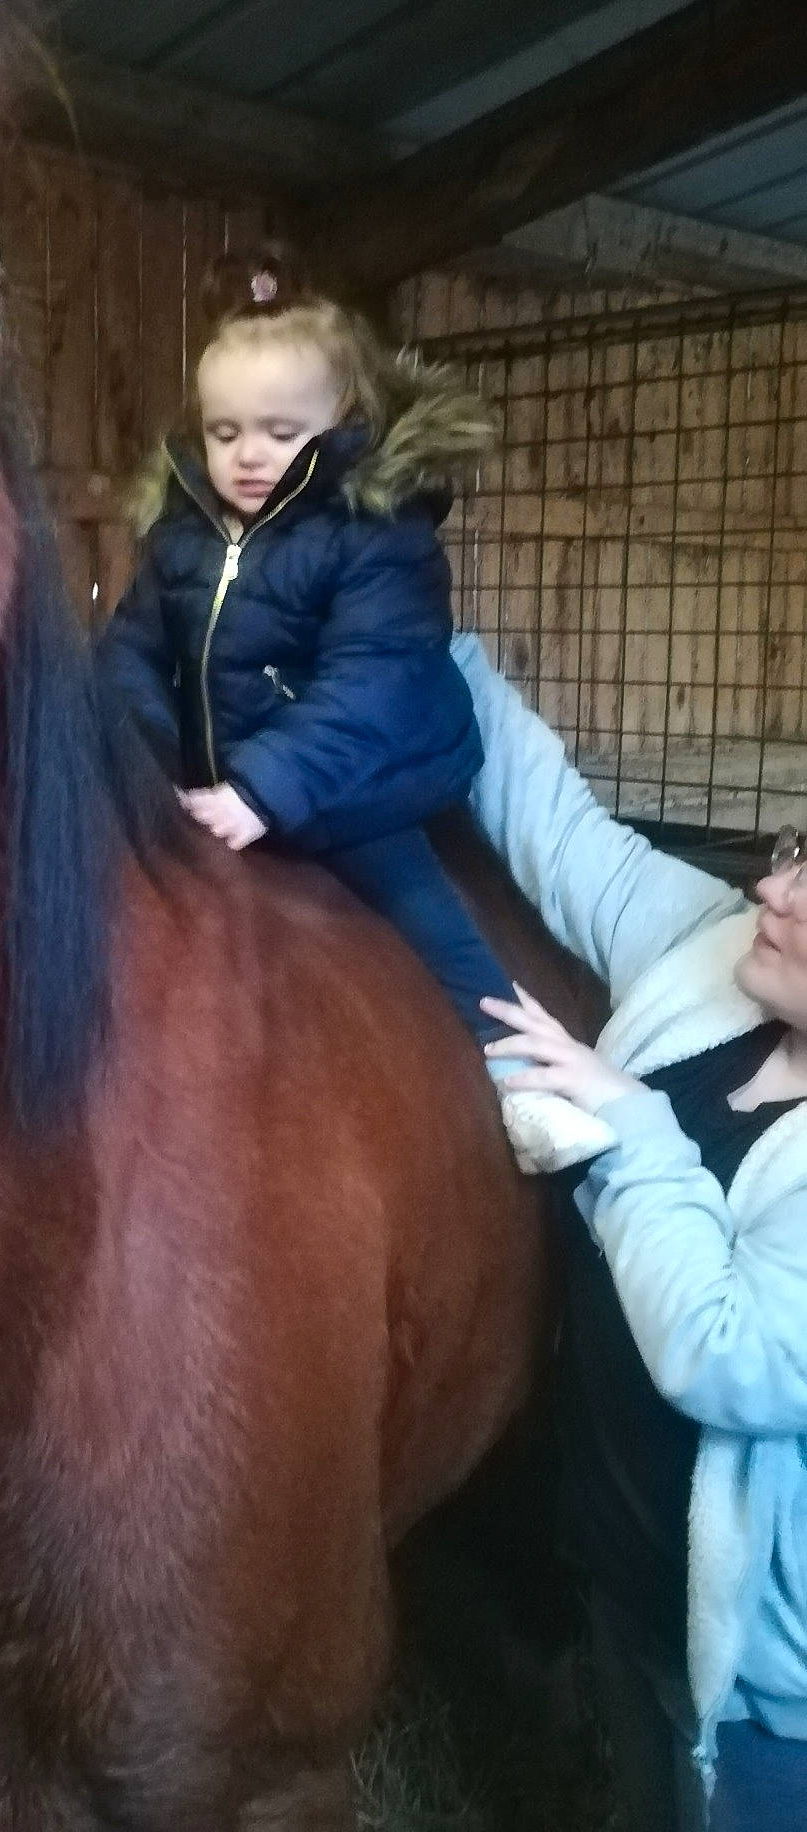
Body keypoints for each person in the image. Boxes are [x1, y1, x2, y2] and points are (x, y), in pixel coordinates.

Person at [98, 250, 601, 1164]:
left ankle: (521, 1074)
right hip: (218, 777)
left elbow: (370, 681)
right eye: (224, 432)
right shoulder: (186, 530)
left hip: (351, 779)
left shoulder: (376, 533)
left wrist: (262, 789)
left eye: (281, 431)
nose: (247, 454)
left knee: (422, 904)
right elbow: (134, 648)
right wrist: (146, 755)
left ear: (343, 425)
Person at [452, 629, 807, 1832]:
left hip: (762, 1683)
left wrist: (631, 1128)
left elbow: (731, 1351)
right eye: (797, 853)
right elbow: (569, 841)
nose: (774, 883)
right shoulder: (714, 956)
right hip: (624, 1567)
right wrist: (415, 626)